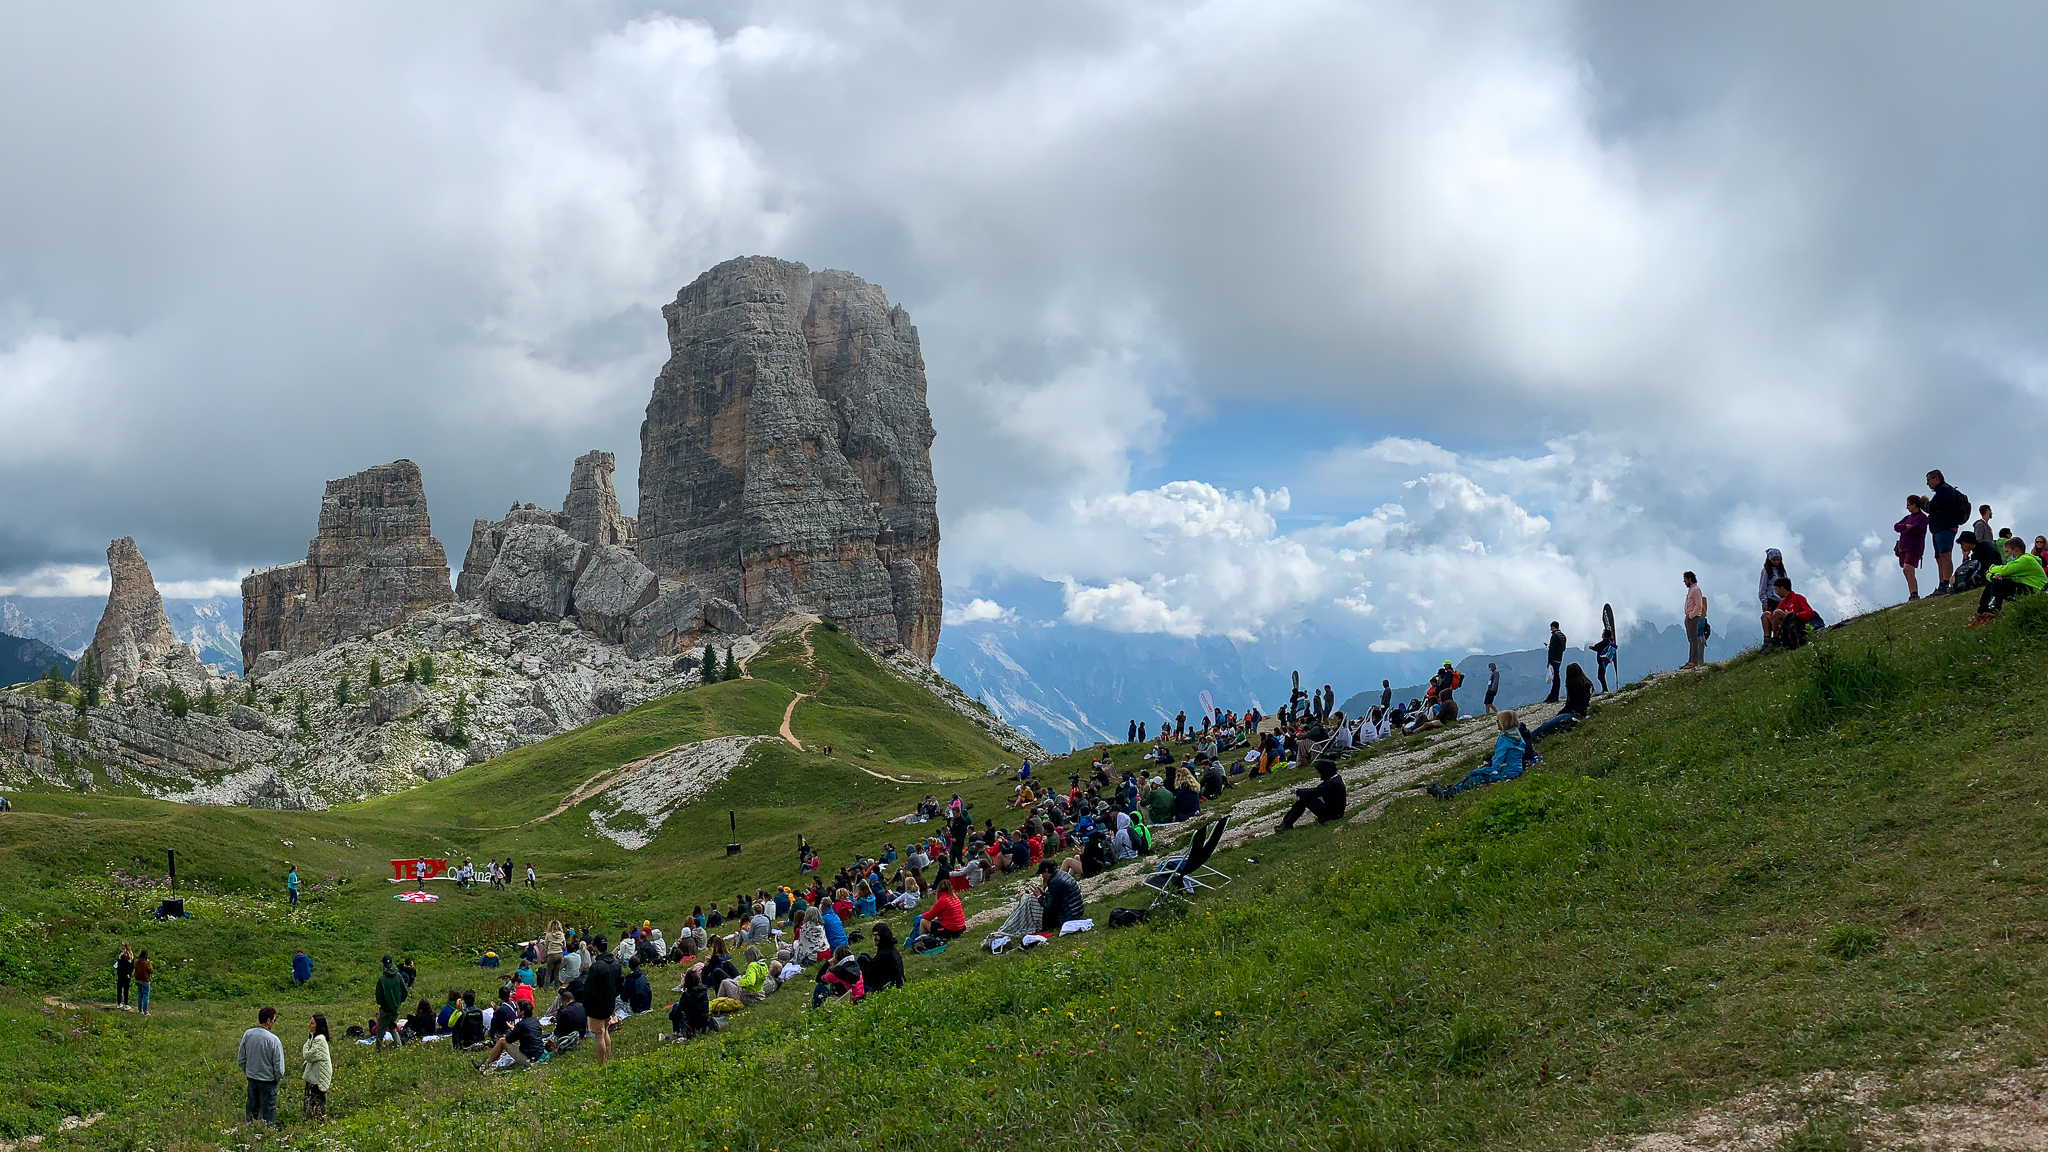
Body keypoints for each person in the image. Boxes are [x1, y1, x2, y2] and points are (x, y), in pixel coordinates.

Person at [1428, 712, 1530, 800]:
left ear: (1503, 722)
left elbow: (1498, 762)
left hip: (1505, 773)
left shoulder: (1504, 739)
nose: (1497, 723)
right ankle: (1449, 789)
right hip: (1516, 770)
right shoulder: (1518, 737)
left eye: (1498, 721)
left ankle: (1447, 794)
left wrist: (1485, 769)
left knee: (1474, 775)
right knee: (1477, 773)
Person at [1972, 537, 2046, 624]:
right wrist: (1992, 576)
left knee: (1999, 583)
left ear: (2016, 550)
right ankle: (1983, 612)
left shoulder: (2026, 560)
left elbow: (2004, 570)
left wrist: (1991, 569)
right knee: (1995, 581)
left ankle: (1992, 612)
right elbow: (1991, 575)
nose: (2005, 555)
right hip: (2028, 589)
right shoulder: (2016, 563)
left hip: (2038, 591)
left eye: (2007, 552)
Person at [237, 1006, 285, 1125]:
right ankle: (268, 1133)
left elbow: (241, 1058)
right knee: (268, 1112)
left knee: (252, 1109)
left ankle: (249, 1132)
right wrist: (276, 1078)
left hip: (252, 1078)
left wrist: (248, 1071)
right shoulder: (273, 1040)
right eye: (274, 1020)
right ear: (268, 1020)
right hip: (268, 1081)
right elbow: (279, 1066)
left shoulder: (248, 1034)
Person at [1925, 469, 1970, 595]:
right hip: (1938, 528)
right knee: (1939, 557)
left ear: (1936, 479)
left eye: (1929, 480)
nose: (1927, 484)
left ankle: (1946, 583)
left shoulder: (1945, 490)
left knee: (1945, 555)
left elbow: (1932, 507)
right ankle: (1941, 584)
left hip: (1945, 527)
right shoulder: (1942, 491)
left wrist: (1924, 505)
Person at [1278, 755, 1346, 830]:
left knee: (1305, 799)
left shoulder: (1331, 783)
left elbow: (1315, 792)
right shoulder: (1336, 779)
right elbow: (1317, 791)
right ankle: (1286, 822)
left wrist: (1298, 791)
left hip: (1333, 815)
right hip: (1337, 812)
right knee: (1306, 797)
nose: (1319, 775)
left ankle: (1287, 823)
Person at [581, 936, 620, 1066]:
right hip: (610, 1002)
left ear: (596, 948)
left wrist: (586, 1003)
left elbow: (589, 988)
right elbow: (621, 983)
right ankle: (607, 1059)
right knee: (606, 1030)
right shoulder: (615, 963)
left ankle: (601, 1063)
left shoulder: (597, 966)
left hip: (597, 1005)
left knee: (599, 1034)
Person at [479, 998, 546, 1072]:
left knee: (501, 1041)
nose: (516, 1011)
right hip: (539, 1053)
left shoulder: (521, 1024)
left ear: (522, 1011)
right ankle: (487, 1064)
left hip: (528, 1058)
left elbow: (509, 1039)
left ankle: (486, 1065)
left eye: (518, 1009)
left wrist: (510, 1029)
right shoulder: (535, 1021)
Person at [1531, 665, 1592, 741]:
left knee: (1545, 725)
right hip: (1578, 714)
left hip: (1573, 714)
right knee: (1548, 726)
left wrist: (1560, 713)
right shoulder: (1585, 686)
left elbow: (1570, 705)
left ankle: (1528, 738)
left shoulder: (1578, 688)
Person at [1762, 577, 1820, 647]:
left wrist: (1794, 615)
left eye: (1777, 589)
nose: (1776, 592)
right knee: (1765, 615)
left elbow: (1810, 612)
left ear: (1782, 588)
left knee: (1778, 613)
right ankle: (1767, 640)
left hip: (1798, 624)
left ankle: (1775, 638)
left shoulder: (1798, 597)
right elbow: (1773, 615)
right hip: (1785, 624)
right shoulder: (1783, 602)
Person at [1895, 496, 1929, 601]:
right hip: (1904, 548)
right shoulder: (1907, 518)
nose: (1907, 507)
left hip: (1914, 547)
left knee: (1908, 569)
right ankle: (1912, 594)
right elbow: (1896, 526)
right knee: (1907, 571)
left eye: (1908, 504)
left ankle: (1914, 594)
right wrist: (1905, 527)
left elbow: (1915, 530)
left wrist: (1904, 530)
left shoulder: (1922, 518)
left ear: (1914, 505)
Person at [301, 1014, 332, 1122]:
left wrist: (306, 1048)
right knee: (310, 1097)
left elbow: (309, 1055)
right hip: (314, 1073)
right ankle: (311, 1119)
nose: (309, 1025)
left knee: (316, 1098)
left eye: (312, 1023)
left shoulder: (319, 1039)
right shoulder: (313, 1037)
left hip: (318, 1075)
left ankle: (317, 1120)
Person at [374, 956, 408, 1050]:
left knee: (380, 1030)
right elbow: (405, 991)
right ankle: (399, 1046)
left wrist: (382, 1004)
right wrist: (399, 1002)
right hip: (395, 1008)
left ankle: (378, 1050)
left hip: (385, 1009)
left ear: (383, 965)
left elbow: (379, 996)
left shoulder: (382, 979)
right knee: (392, 1027)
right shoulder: (398, 976)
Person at [862, 923, 905, 992]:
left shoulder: (884, 954)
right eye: (874, 935)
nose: (875, 938)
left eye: (877, 935)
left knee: (862, 959)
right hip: (894, 981)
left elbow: (873, 971)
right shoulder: (889, 948)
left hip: (889, 986)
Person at [1683, 573, 1708, 667]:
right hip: (1689, 616)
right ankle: (1691, 660)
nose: (1684, 581)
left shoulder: (1696, 590)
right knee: (1691, 639)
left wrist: (1691, 615)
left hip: (1693, 617)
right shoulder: (1691, 590)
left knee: (1693, 639)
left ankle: (1694, 661)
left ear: (1690, 579)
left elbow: (1699, 605)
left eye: (1685, 579)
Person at [1759, 549, 1788, 618]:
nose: (1776, 562)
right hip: (1771, 599)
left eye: (1778, 559)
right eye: (1774, 560)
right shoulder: (1766, 571)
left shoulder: (1782, 571)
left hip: (1782, 599)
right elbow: (1762, 587)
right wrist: (1764, 602)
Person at [1544, 622, 1567, 701]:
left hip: (1554, 659)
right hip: (1559, 658)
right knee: (1556, 676)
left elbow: (1552, 649)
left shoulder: (1554, 636)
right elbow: (1563, 648)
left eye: (1551, 628)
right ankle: (1552, 695)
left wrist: (1549, 661)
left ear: (1553, 627)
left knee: (1555, 678)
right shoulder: (1563, 636)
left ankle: (1554, 696)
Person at [115, 942, 134, 1008]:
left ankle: (122, 1003)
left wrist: (119, 958)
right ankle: (122, 1003)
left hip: (123, 973)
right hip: (124, 974)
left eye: (122, 945)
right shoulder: (130, 954)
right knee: (123, 988)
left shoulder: (126, 955)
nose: (121, 946)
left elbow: (126, 965)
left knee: (122, 988)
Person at [134, 949, 152, 1014]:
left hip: (137, 980)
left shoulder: (137, 962)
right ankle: (145, 1011)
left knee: (140, 995)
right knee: (145, 996)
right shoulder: (146, 963)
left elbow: (134, 967)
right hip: (145, 980)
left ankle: (139, 1009)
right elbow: (150, 971)